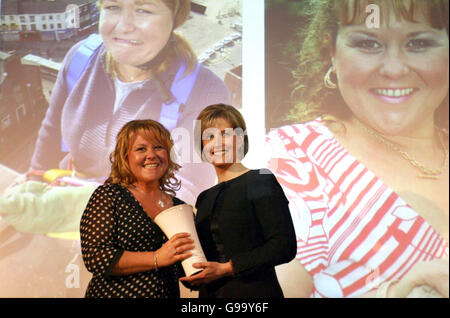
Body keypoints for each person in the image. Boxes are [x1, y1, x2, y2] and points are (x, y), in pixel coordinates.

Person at [266, 0, 449, 298]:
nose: (394, 69)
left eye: (418, 43)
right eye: (368, 43)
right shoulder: (291, 165)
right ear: (332, 53)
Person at [30, 0, 230, 204]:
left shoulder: (205, 93)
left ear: (175, 16)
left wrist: (86, 208)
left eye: (143, 10)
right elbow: (50, 138)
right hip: (64, 209)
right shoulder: (80, 61)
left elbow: (186, 190)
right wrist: (32, 190)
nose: (124, 26)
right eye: (113, 7)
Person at [180, 104, 297, 298]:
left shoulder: (260, 180)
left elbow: (284, 246)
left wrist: (228, 268)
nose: (217, 143)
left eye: (225, 134)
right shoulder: (204, 198)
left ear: (241, 139)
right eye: (209, 136)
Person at [80, 119, 195, 297]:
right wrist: (156, 258)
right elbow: (96, 257)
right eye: (141, 149)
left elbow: (183, 268)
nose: (151, 155)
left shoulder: (180, 207)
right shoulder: (109, 196)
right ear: (125, 157)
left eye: (158, 147)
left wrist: (197, 273)